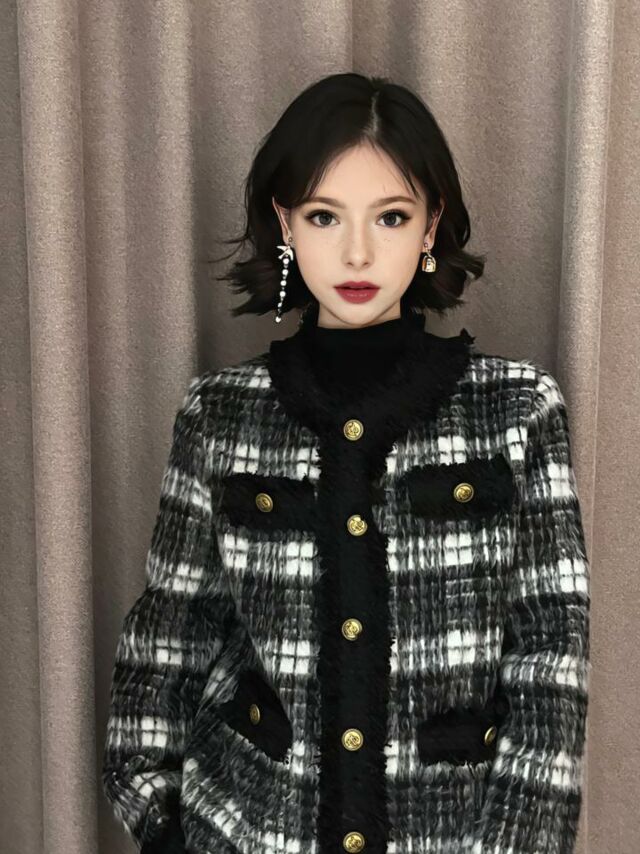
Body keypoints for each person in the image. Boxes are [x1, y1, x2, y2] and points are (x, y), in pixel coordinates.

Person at [102, 72, 590, 854]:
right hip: (251, 830)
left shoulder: (517, 411)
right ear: (285, 224)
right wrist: (162, 823)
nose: (357, 251)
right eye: (324, 216)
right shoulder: (220, 415)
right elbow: (169, 639)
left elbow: (550, 667)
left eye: (391, 216)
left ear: (430, 225)